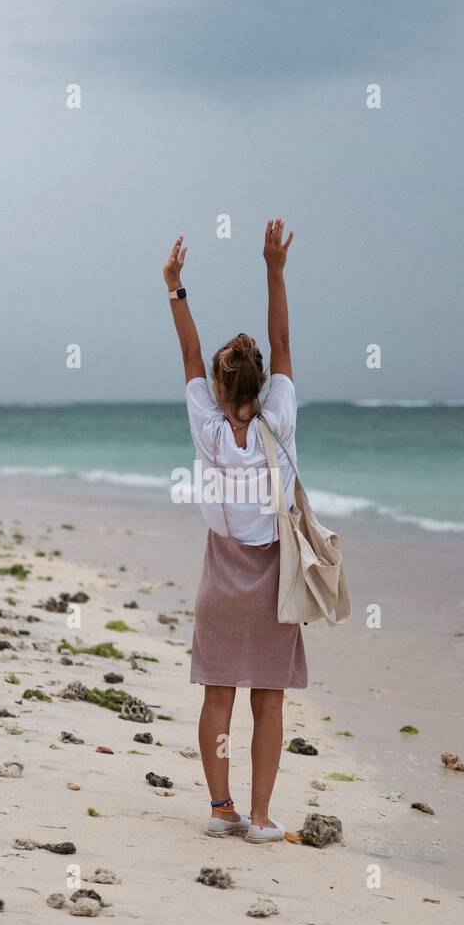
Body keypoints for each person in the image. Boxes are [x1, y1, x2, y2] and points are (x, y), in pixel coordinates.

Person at [163, 219, 307, 844]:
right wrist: (274, 268)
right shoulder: (279, 419)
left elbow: (191, 355)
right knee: (268, 700)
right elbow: (281, 341)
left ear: (219, 389)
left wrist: (177, 288)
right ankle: (264, 817)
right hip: (272, 580)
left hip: (220, 580)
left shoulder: (209, 429)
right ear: (263, 387)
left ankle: (222, 808)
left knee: (217, 695)